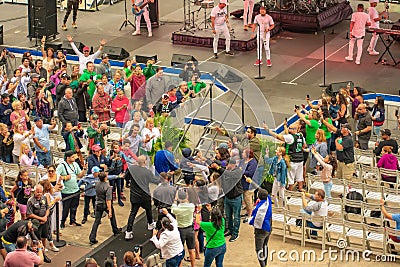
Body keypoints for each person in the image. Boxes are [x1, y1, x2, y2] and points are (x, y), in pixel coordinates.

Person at [125, 156, 160, 240]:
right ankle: (150, 224)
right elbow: (154, 181)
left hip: (134, 195)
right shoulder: (147, 172)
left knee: (133, 212)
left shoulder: (132, 169)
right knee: (148, 210)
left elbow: (126, 177)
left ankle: (128, 231)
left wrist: (128, 183)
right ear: (144, 162)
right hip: (145, 195)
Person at [263, 122, 306, 191]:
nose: (288, 129)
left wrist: (267, 130)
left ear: (294, 129)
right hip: (300, 159)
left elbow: (277, 136)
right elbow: (304, 146)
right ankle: (301, 189)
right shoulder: (301, 136)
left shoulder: (290, 137)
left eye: (290, 128)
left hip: (292, 160)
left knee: (290, 178)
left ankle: (289, 193)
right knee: (299, 176)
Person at [211, 158, 243, 242]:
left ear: (232, 164)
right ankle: (230, 230)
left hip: (236, 198)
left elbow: (229, 175)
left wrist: (218, 168)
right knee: (228, 216)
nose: (226, 166)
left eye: (227, 164)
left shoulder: (237, 171)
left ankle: (235, 234)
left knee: (236, 217)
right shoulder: (225, 171)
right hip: (228, 197)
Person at [56, 150, 87, 228]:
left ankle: (72, 220)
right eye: (72, 157)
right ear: (68, 157)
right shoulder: (61, 166)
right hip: (66, 191)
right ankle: (62, 222)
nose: (74, 158)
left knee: (74, 207)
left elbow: (79, 175)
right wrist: (65, 177)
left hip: (75, 190)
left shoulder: (75, 164)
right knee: (65, 208)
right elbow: (55, 176)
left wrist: (84, 170)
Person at [89, 172, 122, 245]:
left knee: (96, 221)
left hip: (98, 204)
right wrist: (109, 211)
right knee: (112, 217)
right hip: (105, 204)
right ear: (105, 178)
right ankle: (115, 230)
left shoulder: (96, 184)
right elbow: (108, 200)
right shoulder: (107, 187)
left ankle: (92, 237)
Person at [171, 190, 196, 267]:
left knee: (180, 251)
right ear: (187, 197)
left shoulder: (176, 208)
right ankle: (193, 266)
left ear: (178, 198)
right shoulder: (191, 206)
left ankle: (180, 265)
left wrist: (175, 199)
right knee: (191, 250)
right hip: (190, 229)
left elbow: (173, 208)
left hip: (180, 230)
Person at [249, 188, 272, 267]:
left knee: (259, 249)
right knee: (265, 245)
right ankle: (265, 264)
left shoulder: (259, 209)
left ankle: (263, 265)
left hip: (261, 231)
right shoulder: (268, 199)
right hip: (268, 228)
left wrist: (249, 218)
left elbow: (252, 220)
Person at [26, 185, 50, 253]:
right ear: (34, 191)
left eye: (40, 192)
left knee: (44, 237)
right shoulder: (30, 201)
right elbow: (29, 214)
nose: (39, 193)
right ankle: (33, 254)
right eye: (37, 192)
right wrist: (41, 218)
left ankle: (43, 253)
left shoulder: (44, 198)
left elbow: (48, 208)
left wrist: (45, 217)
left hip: (44, 222)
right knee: (35, 240)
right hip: (36, 223)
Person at [240, 148, 257, 222]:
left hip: (249, 185)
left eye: (243, 153)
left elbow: (250, 173)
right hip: (243, 184)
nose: (242, 154)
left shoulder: (253, 162)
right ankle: (248, 212)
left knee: (248, 200)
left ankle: (250, 215)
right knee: (246, 200)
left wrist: (242, 170)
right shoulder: (244, 161)